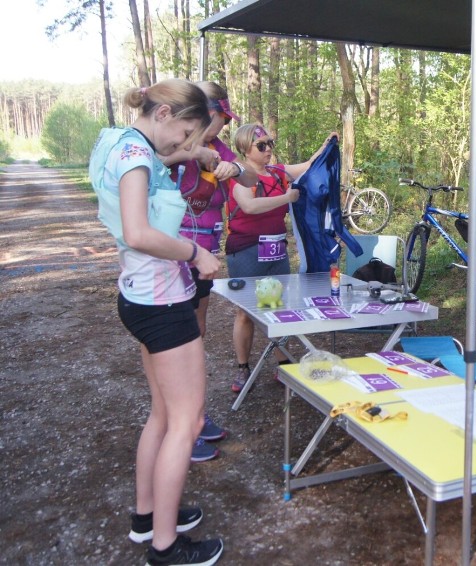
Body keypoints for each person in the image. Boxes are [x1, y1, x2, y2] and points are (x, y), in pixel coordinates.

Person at [89, 79, 224, 565]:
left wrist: (188, 159)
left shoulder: (120, 142)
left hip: (141, 296)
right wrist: (194, 252)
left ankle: (148, 518)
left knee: (163, 415)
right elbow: (138, 231)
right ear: (164, 113)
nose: (184, 145)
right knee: (187, 422)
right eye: (186, 133)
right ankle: (165, 547)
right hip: (162, 304)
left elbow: (146, 182)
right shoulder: (137, 156)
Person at [162, 81, 257, 463]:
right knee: (175, 343)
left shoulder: (219, 148)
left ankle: (194, 419)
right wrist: (193, 151)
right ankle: (179, 429)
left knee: (196, 334)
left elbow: (251, 179)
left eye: (224, 119)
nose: (221, 126)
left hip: (206, 253)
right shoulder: (172, 139)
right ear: (202, 112)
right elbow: (157, 160)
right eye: (218, 117)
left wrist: (235, 167)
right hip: (173, 252)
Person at [226, 124, 337, 392]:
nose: (268, 149)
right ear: (244, 149)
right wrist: (287, 198)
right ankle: (243, 368)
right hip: (246, 250)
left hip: (275, 249)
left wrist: (328, 144)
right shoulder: (238, 174)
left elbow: (309, 165)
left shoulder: (278, 172)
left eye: (269, 143)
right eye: (261, 145)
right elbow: (249, 206)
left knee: (276, 308)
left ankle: (282, 363)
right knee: (245, 311)